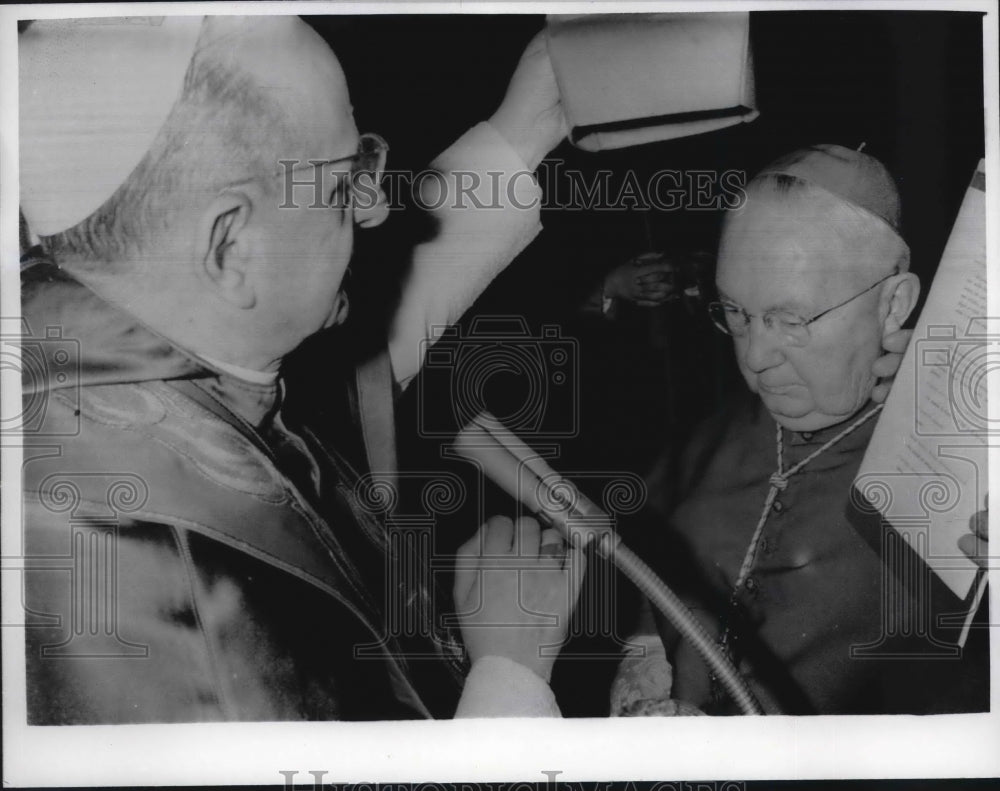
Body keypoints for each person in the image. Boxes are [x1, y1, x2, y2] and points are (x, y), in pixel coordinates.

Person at [18, 15, 580, 723]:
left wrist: (526, 126)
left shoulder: (110, 347)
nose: (375, 209)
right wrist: (510, 675)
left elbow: (341, 361)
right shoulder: (145, 565)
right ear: (231, 248)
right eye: (345, 187)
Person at [615, 144, 989, 716]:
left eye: (790, 320)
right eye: (735, 314)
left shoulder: (970, 470)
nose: (755, 357)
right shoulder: (697, 441)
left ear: (894, 306)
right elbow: (647, 618)